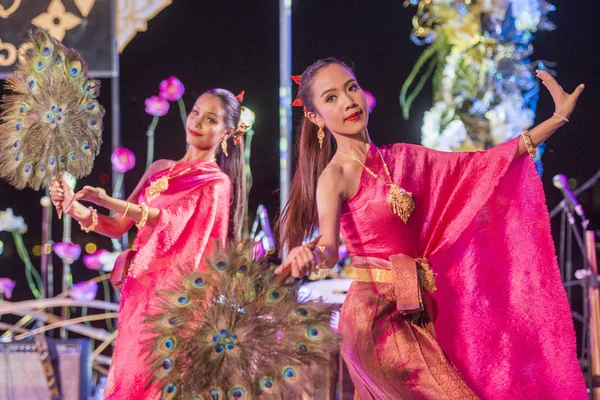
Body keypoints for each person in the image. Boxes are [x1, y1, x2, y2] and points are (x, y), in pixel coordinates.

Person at [276, 58, 587, 399]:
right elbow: (329, 248)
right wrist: (309, 253)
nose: (348, 101)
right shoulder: (334, 177)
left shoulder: (406, 158)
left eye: (351, 88)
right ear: (315, 117)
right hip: (375, 318)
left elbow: (482, 167)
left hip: (423, 306)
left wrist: (557, 119)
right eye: (331, 98)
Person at [50, 88, 247, 399]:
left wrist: (108, 200)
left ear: (228, 132)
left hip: (177, 301)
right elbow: (116, 227)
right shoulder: (159, 169)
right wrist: (72, 205)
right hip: (139, 290)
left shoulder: (216, 182)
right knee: (128, 378)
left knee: (161, 381)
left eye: (210, 119)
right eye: (195, 112)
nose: (196, 122)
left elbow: (170, 219)